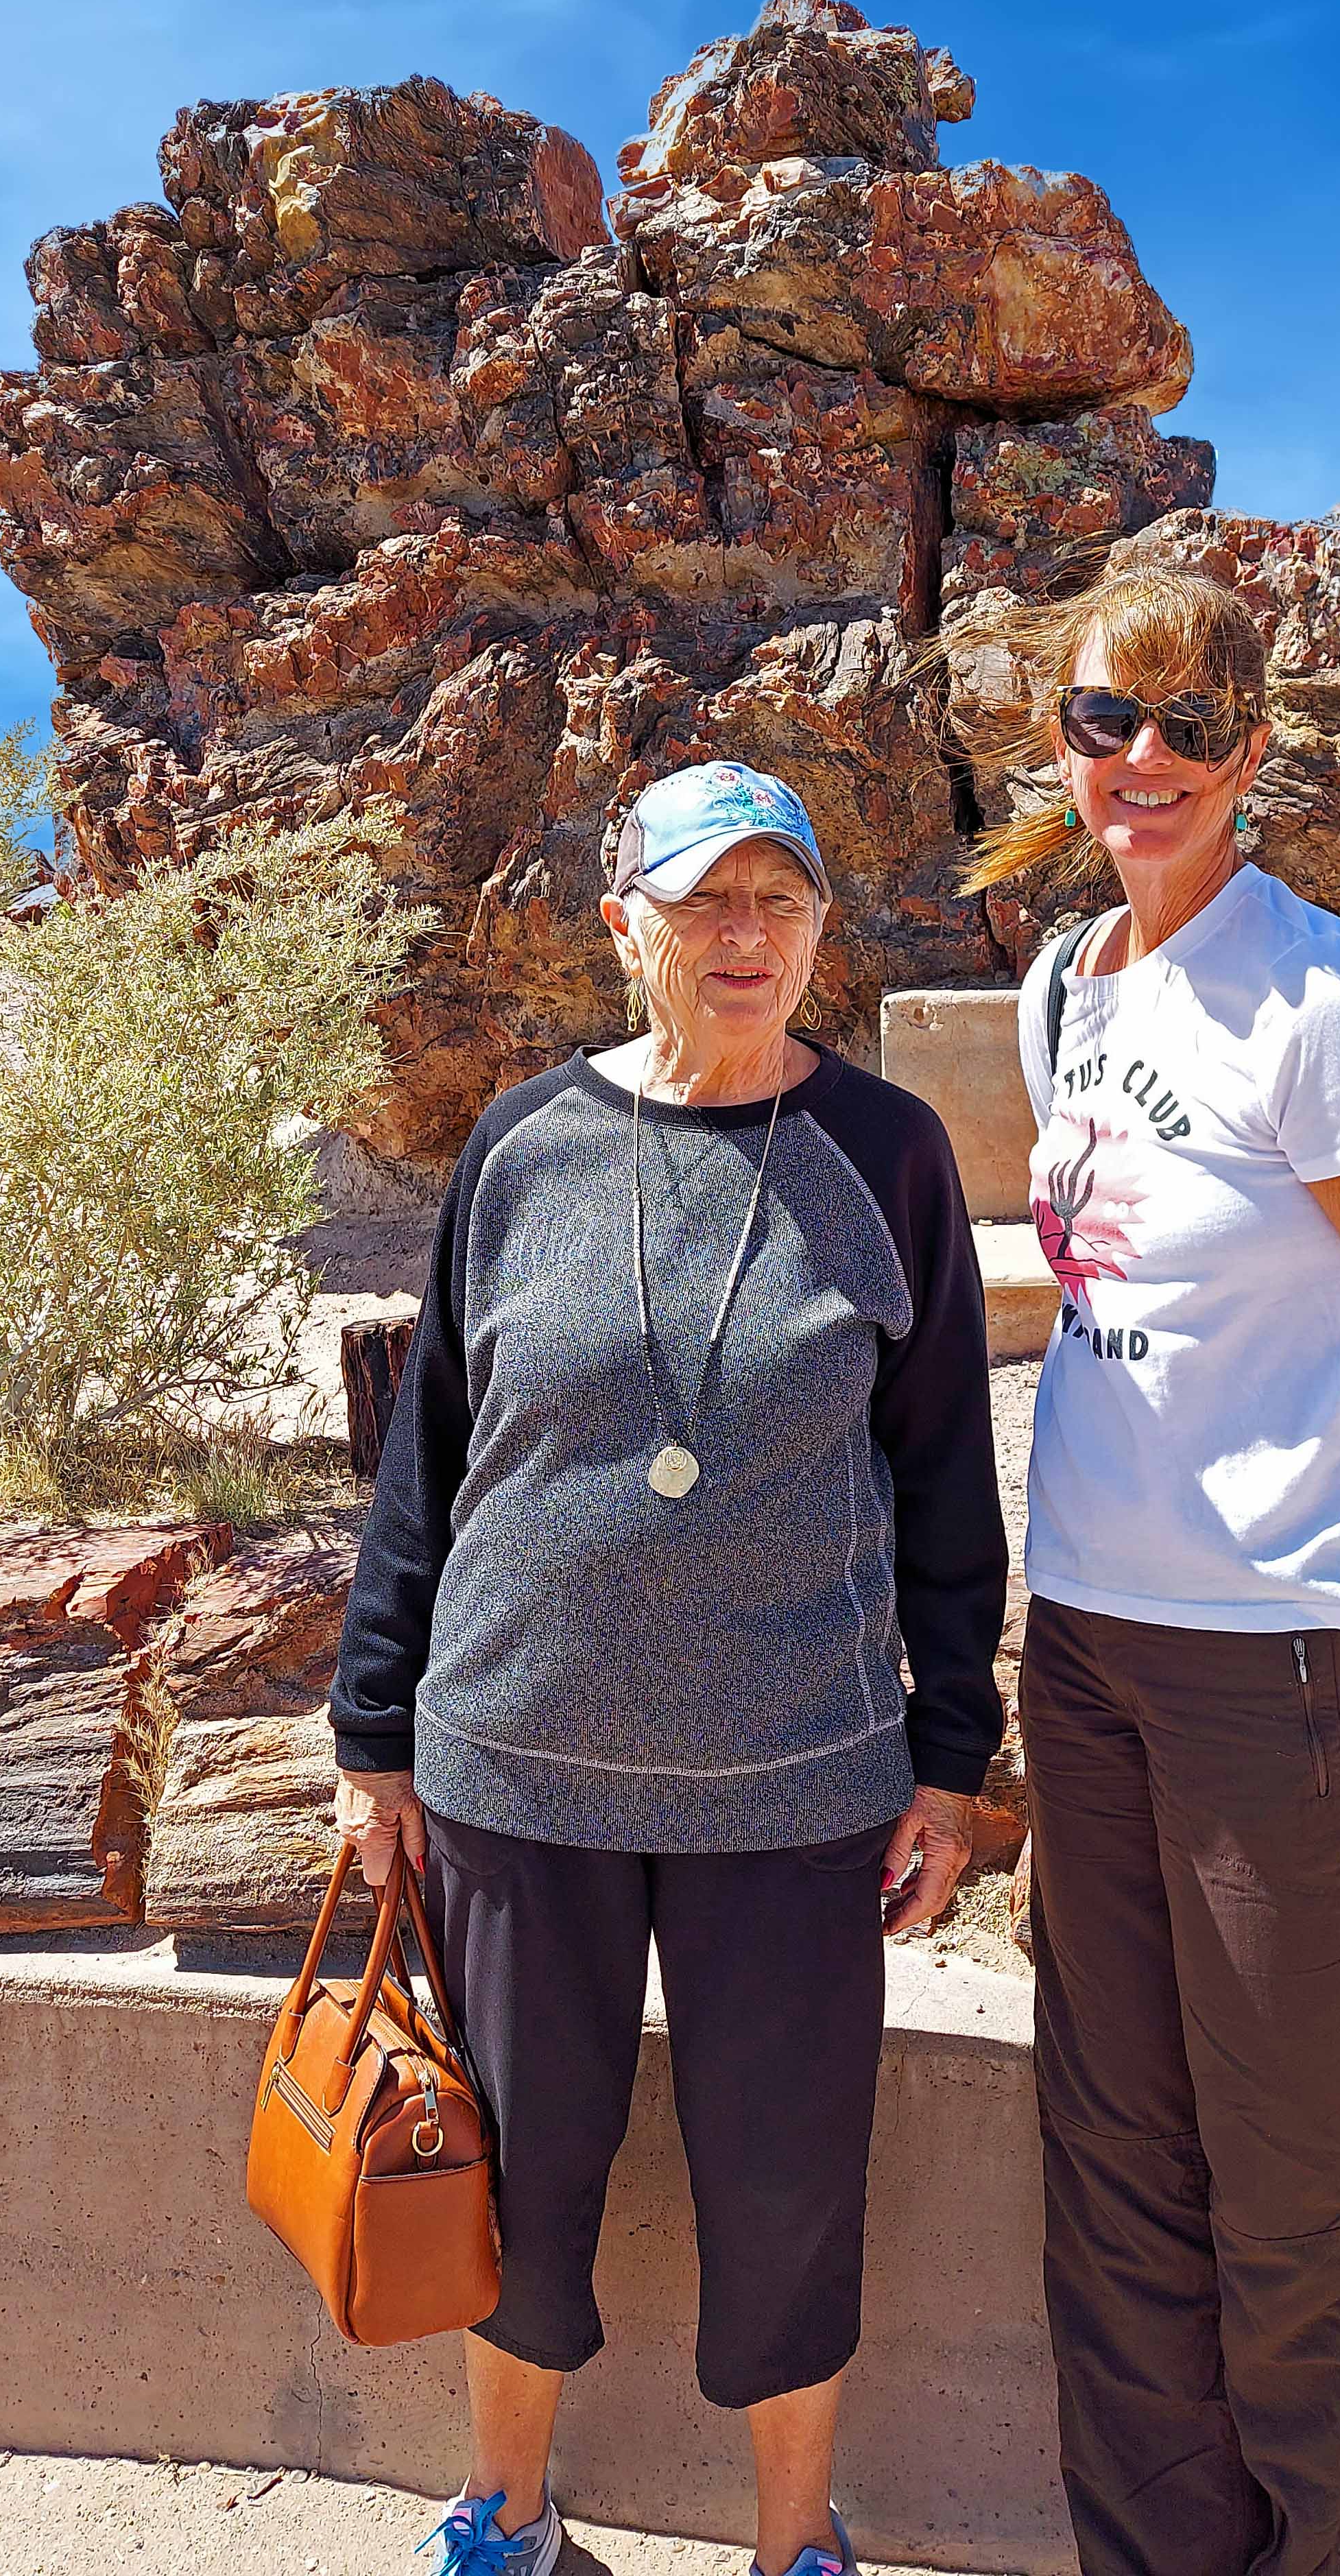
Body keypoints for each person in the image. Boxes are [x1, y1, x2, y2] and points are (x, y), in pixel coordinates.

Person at [328, 758, 1007, 2576]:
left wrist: (949, 1765)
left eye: (777, 901)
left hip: (792, 1788)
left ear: (816, 934)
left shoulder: (887, 1158)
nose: (742, 934)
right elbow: (435, 1457)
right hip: (510, 1777)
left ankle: (796, 2545)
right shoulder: (524, 1149)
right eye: (702, 900)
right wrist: (370, 1731)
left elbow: (946, 1478)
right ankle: (510, 2519)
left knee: (785, 2198)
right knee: (522, 2184)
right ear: (622, 925)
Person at [966, 562, 1340, 2576]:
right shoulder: (1066, 980)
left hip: (1285, 1660)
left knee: (1283, 2188)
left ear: (1254, 754)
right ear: (1060, 735)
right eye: (1108, 721)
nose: (1147, 762)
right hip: (1093, 1646)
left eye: (1193, 726)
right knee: (1110, 2160)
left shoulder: (1320, 1001)